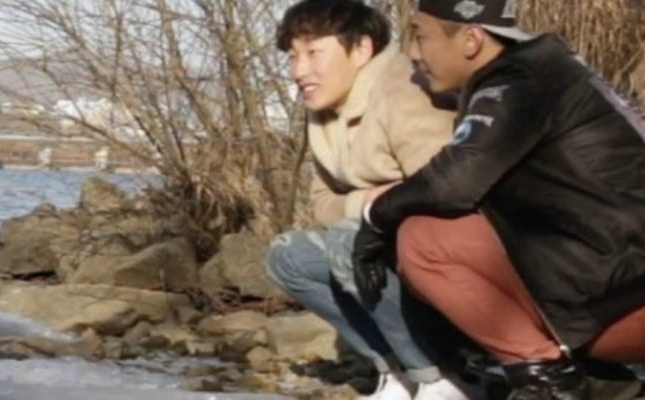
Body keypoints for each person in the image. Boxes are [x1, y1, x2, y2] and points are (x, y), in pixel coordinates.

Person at [351, 0, 645, 398]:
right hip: (620, 282)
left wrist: (375, 217)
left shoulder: (516, 83)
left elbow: (452, 182)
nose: (414, 54)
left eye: (420, 36)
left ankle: (550, 382)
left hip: (628, 302)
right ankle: (588, 380)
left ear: (471, 39)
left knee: (425, 240)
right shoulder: (551, 70)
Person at [264, 1, 477, 399]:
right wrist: (369, 201)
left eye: (313, 52)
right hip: (389, 245)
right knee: (288, 257)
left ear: (361, 49)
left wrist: (375, 210)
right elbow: (321, 202)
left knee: (350, 240)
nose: (298, 71)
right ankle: (399, 370)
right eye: (293, 56)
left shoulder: (406, 91)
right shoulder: (324, 109)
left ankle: (448, 377)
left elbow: (446, 195)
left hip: (453, 268)